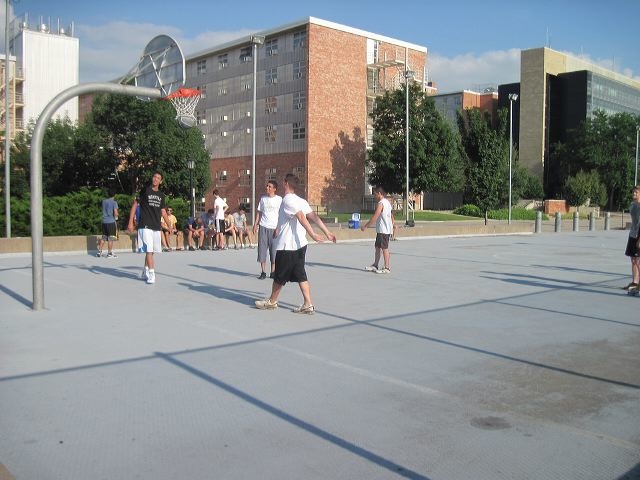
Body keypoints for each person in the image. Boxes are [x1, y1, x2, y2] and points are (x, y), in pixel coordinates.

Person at [255, 173, 336, 314]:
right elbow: (314, 217)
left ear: (286, 183)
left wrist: (314, 234)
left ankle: (272, 302)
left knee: (279, 277)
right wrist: (327, 232)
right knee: (300, 275)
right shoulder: (301, 200)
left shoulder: (287, 200)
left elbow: (301, 217)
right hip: (300, 246)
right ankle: (308, 304)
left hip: (288, 246)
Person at [127, 171, 172, 284]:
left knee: (151, 252)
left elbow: (163, 211)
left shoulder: (161, 195)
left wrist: (169, 225)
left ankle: (145, 270)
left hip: (156, 226)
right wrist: (130, 222)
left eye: (158, 178)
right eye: (154, 177)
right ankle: (152, 274)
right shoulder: (145, 190)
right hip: (145, 225)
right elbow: (135, 205)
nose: (155, 179)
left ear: (161, 181)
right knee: (149, 250)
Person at [360, 186, 394, 274]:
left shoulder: (381, 203)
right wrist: (392, 225)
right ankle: (375, 265)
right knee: (378, 247)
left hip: (384, 230)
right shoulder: (387, 202)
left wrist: (365, 226)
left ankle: (387, 267)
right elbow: (391, 215)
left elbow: (375, 216)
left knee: (384, 248)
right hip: (381, 230)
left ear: (379, 193)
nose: (374, 196)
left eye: (375, 194)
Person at [253, 180, 282, 279]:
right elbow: (259, 212)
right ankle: (263, 272)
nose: (267, 188)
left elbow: (281, 215)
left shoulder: (279, 200)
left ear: (274, 189)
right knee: (262, 250)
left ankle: (273, 272)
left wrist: (278, 227)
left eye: (270, 187)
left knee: (274, 251)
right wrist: (255, 224)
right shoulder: (263, 199)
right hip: (263, 226)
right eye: (267, 186)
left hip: (274, 228)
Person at [623, 185, 640, 293]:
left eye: (636, 193)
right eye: (633, 192)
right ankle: (635, 282)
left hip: (639, 235)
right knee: (633, 260)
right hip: (632, 234)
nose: (634, 194)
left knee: (638, 261)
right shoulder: (632, 204)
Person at [97, 193, 119, 258]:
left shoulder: (103, 201)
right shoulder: (114, 202)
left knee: (104, 237)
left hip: (104, 222)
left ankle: (99, 252)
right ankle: (109, 253)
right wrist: (116, 217)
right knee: (111, 238)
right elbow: (115, 212)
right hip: (111, 222)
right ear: (114, 195)